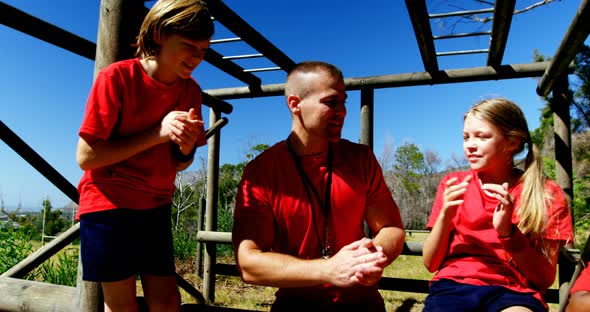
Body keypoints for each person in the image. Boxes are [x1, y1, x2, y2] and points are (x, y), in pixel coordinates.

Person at [232, 61, 406, 311]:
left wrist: (372, 257)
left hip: (363, 305)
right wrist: (328, 270)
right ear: (295, 104)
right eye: (331, 102)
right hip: (296, 306)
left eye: (344, 102)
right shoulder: (261, 171)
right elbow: (248, 263)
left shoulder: (360, 159)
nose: (342, 111)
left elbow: (391, 228)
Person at [75, 1, 213, 311]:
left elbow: (180, 163)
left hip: (156, 203)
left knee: (167, 300)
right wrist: (157, 133)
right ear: (158, 34)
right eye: (189, 46)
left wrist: (186, 147)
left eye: (203, 51)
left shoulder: (191, 91)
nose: (196, 57)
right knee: (121, 303)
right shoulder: (116, 78)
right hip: (108, 202)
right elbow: (86, 157)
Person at [422, 98, 574, 312]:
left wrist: (509, 233)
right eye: (465, 137)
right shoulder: (453, 185)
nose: (470, 145)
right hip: (454, 286)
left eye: (481, 137)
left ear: (512, 143)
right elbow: (430, 264)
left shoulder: (545, 192)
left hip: (515, 292)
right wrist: (445, 218)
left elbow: (544, 278)